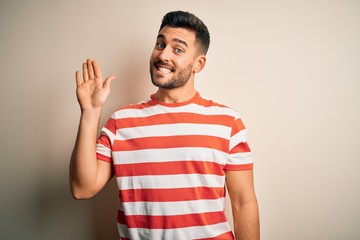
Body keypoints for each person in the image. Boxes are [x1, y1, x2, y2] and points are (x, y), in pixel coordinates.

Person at [70, 10, 260, 240]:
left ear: (199, 64)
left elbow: (243, 203)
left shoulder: (227, 122)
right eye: (160, 44)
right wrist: (90, 113)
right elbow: (82, 188)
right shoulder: (121, 121)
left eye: (177, 49)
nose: (163, 55)